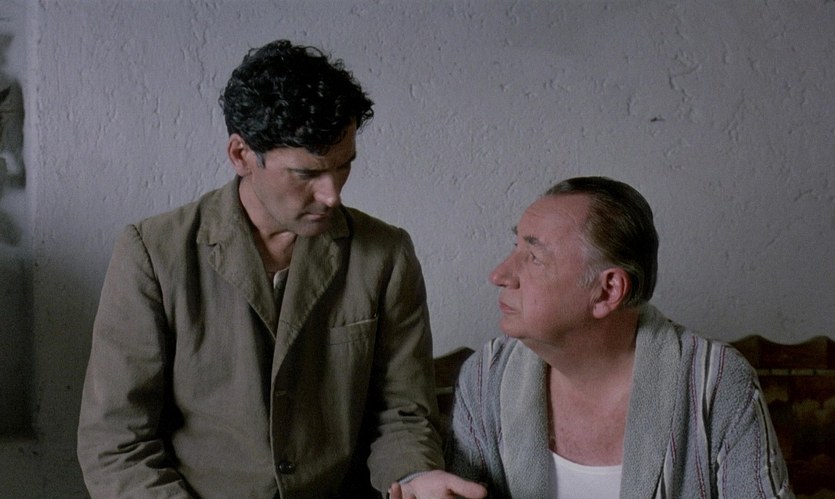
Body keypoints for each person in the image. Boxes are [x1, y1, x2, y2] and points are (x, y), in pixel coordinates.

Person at [77, 39, 485, 499]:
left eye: (344, 167)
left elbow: (402, 413)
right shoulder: (153, 254)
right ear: (241, 155)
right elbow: (117, 443)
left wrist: (413, 477)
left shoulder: (386, 254)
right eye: (307, 174)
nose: (332, 195)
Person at [444, 176, 793, 498]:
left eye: (533, 257)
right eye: (515, 246)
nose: (500, 274)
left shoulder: (714, 383)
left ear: (608, 290)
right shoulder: (486, 376)